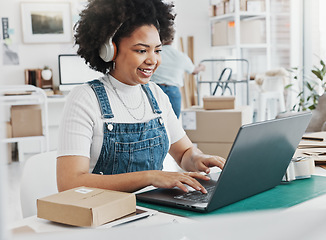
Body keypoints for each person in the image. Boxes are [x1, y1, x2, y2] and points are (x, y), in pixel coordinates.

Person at [56, 0, 225, 194]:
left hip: (153, 211)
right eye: (141, 50)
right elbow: (69, 183)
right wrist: (150, 177)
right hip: (104, 215)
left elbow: (184, 153)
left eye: (157, 50)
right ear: (109, 50)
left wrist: (196, 158)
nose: (153, 60)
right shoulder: (85, 99)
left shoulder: (156, 94)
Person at [151, 38, 205, 118]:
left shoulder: (154, 54)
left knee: (155, 120)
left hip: (155, 89)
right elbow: (194, 71)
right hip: (173, 91)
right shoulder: (180, 55)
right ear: (172, 40)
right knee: (173, 121)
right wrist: (201, 67)